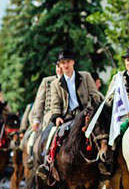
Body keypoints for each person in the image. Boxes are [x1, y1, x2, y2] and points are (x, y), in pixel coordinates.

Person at [36, 50, 102, 180]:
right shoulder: (55, 83)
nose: (66, 65)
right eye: (63, 63)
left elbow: (95, 95)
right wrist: (57, 116)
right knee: (52, 133)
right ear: (60, 65)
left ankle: (105, 163)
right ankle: (47, 163)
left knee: (102, 132)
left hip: (86, 115)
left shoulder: (86, 76)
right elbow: (55, 104)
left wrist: (91, 109)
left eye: (68, 62)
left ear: (73, 62)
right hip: (67, 118)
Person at [101, 47, 129, 176]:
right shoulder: (118, 78)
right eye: (127, 60)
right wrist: (119, 97)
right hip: (124, 115)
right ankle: (111, 164)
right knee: (116, 134)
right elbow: (108, 99)